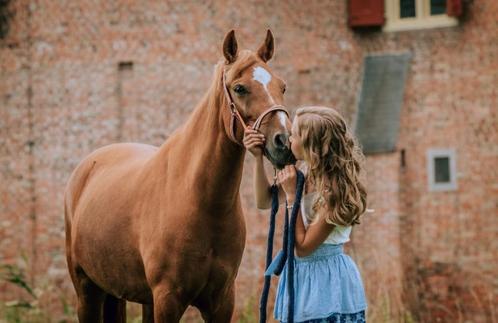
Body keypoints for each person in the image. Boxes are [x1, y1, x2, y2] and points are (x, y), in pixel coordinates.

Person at [244, 106, 369, 323]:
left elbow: (302, 248)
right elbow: (264, 201)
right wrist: (257, 159)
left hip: (327, 280)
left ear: (312, 146)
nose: (289, 139)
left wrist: (292, 196)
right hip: (302, 275)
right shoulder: (304, 173)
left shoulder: (333, 193)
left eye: (294, 135)